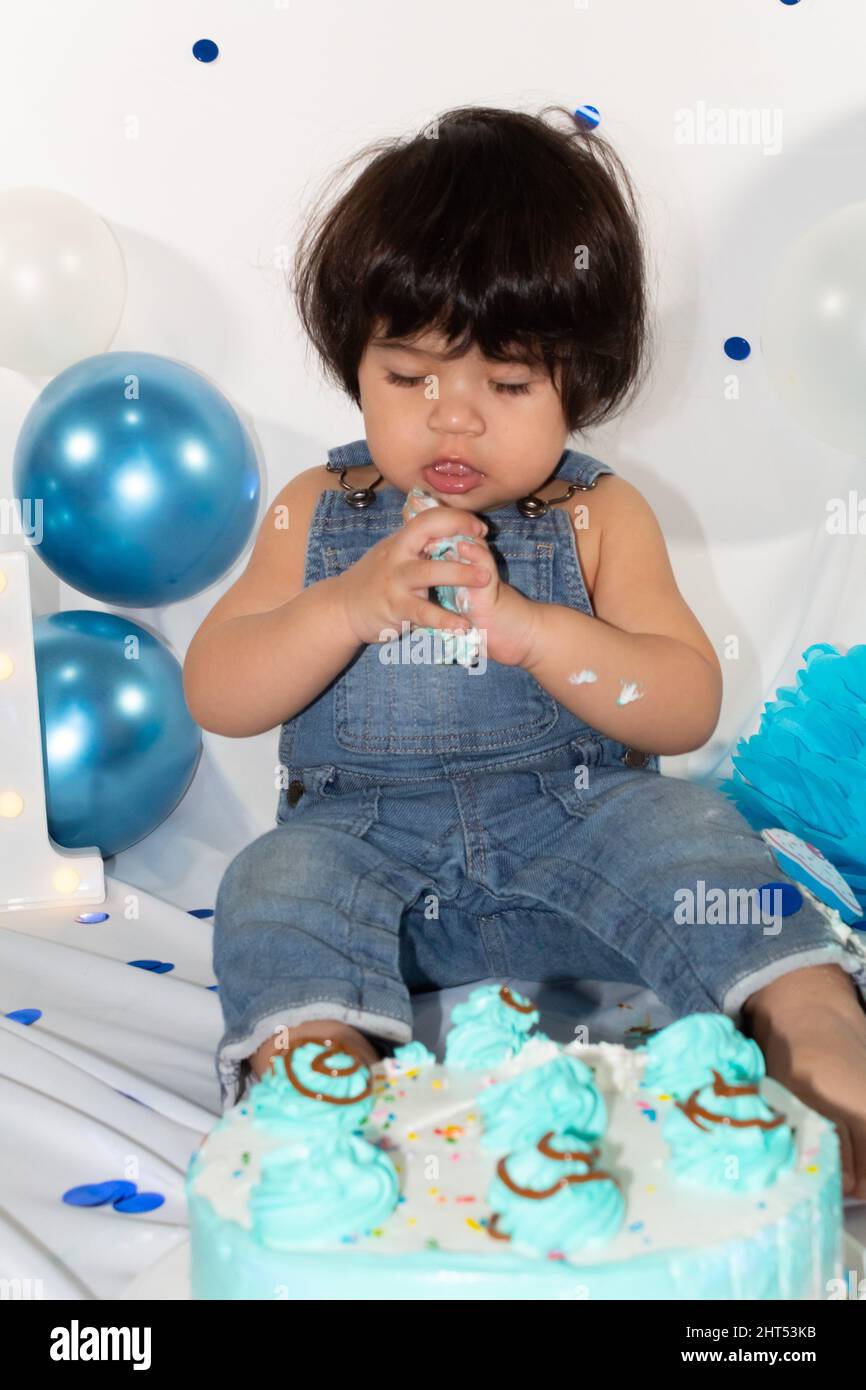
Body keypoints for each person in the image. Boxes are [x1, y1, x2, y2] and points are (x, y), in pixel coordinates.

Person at [183, 105, 866, 1197]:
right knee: (272, 879)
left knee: (695, 834)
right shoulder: (316, 507)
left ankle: (815, 1032)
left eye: (505, 387)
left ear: (576, 385)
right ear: (350, 363)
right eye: (408, 378)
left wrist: (542, 633)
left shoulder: (599, 515)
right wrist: (347, 605)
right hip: (370, 866)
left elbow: (682, 703)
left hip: (577, 838)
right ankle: (313, 1078)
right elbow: (218, 687)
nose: (452, 422)